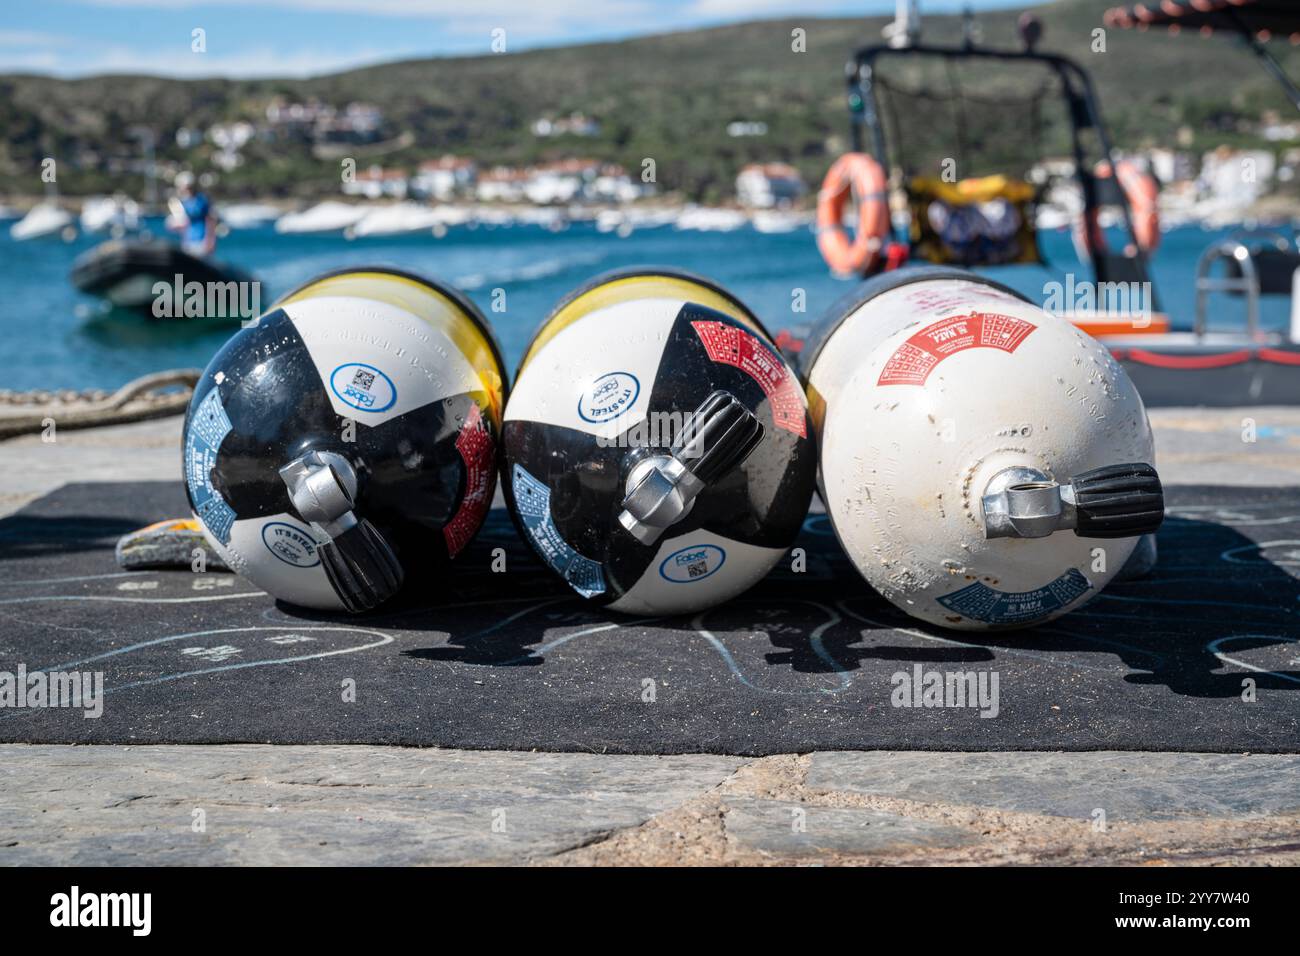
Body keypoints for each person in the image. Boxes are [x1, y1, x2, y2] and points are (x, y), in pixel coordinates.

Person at [169, 171, 217, 257]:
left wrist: (210, 240)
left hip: (201, 241)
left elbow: (210, 220)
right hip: (188, 242)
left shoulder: (201, 200)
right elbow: (182, 224)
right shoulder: (183, 202)